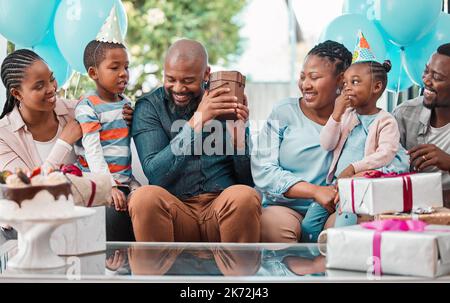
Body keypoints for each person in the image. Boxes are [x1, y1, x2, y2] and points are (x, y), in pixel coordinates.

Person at [129, 39, 261, 243]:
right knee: (143, 197)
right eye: (170, 79)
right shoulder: (150, 107)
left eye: (188, 80)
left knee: (244, 195)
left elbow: (247, 181)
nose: (178, 88)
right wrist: (196, 123)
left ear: (206, 74)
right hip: (175, 210)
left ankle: (237, 274)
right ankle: (154, 274)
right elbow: (155, 174)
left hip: (221, 209)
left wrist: (239, 138)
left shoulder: (225, 101)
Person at [0, 49, 134, 241]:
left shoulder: (78, 110)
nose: (51, 88)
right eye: (39, 86)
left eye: (52, 79)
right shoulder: (3, 135)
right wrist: (64, 142)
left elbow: (114, 140)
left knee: (114, 212)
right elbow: (27, 191)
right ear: (17, 93)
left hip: (80, 215)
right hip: (28, 226)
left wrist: (128, 116)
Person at [251, 40, 352, 243]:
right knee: (277, 230)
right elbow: (263, 170)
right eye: (303, 76)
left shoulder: (355, 119)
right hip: (285, 208)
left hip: (332, 209)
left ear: (341, 81)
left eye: (314, 77)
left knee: (345, 232)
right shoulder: (283, 112)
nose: (305, 84)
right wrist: (314, 191)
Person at [319, 32, 408, 227]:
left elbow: (385, 154)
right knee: (309, 223)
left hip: (359, 187)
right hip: (334, 185)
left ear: (376, 87)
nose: (347, 88)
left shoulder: (385, 121)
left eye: (355, 82)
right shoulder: (347, 115)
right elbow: (326, 144)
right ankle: (312, 256)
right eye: (346, 84)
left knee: (344, 222)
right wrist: (336, 114)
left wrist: (353, 169)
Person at [393, 43, 450, 207]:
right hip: (408, 207)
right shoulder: (404, 114)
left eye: (437, 78)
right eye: (426, 71)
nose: (426, 80)